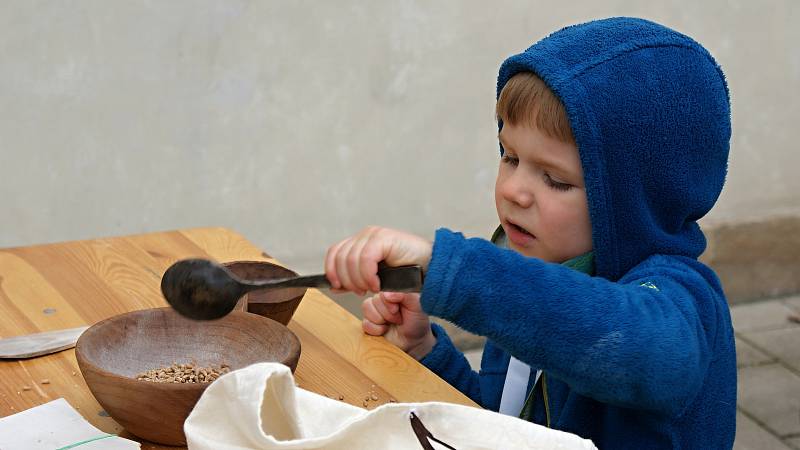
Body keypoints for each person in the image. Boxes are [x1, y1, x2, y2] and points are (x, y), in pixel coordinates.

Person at [324, 17, 736, 448]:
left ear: (638, 200)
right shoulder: (532, 279)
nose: (514, 190)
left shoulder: (682, 301)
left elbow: (630, 346)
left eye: (554, 179)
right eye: (509, 156)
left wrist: (450, 270)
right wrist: (429, 352)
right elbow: (504, 428)